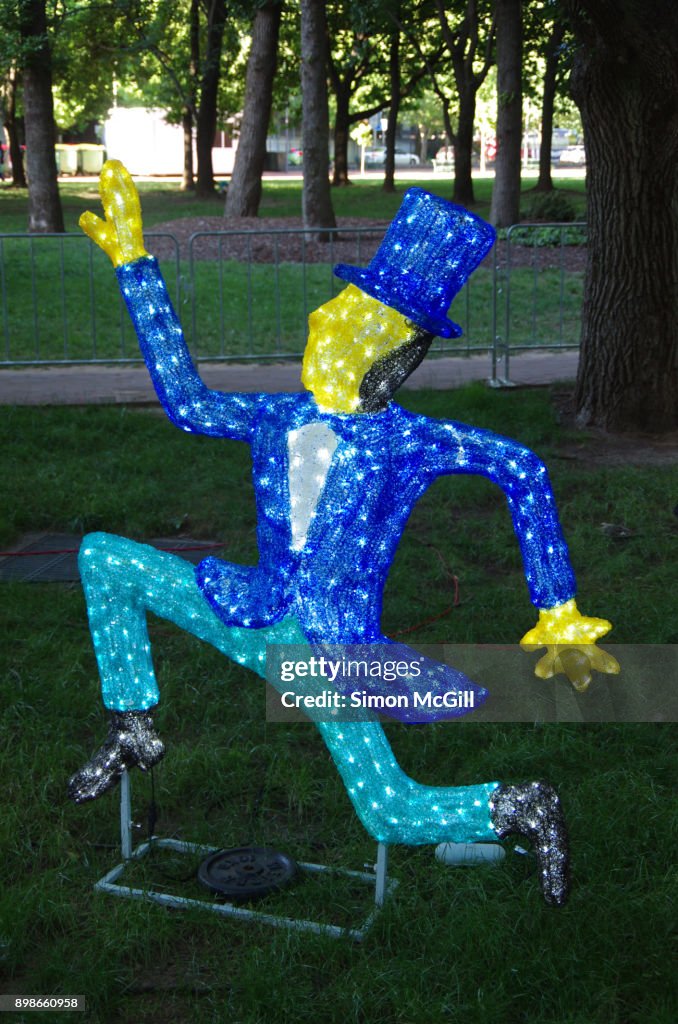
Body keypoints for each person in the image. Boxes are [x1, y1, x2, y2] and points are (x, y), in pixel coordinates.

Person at [67, 161, 617, 906]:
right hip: (249, 611)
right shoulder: (283, 416)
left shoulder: (406, 442)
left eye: (350, 310)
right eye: (336, 300)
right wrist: (136, 266)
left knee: (386, 806)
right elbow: (190, 403)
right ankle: (133, 725)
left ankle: (519, 805)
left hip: (326, 654)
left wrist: (557, 612)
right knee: (103, 558)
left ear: (390, 350)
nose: (322, 316)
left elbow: (521, 468)